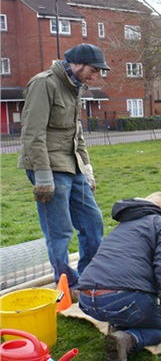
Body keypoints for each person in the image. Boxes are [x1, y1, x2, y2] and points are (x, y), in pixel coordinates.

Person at [18, 43, 109, 288]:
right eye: (94, 69)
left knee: (93, 222)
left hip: (73, 165)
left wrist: (87, 169)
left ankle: (89, 279)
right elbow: (33, 133)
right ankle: (67, 284)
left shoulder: (75, 87)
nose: (96, 75)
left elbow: (75, 133)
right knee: (59, 231)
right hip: (48, 167)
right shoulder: (43, 84)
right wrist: (43, 176)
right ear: (77, 64)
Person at [78, 192, 161, 360]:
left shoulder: (123, 226)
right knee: (159, 330)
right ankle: (128, 339)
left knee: (129, 306)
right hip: (122, 298)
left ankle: (119, 329)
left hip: (86, 299)